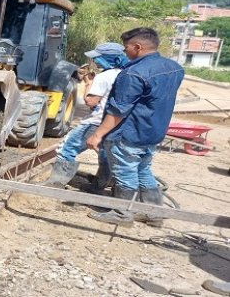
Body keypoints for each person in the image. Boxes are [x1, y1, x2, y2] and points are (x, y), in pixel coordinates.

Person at [86, 27, 184, 227]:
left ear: (137, 47)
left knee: (125, 172)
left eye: (126, 48)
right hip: (153, 132)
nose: (125, 52)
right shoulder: (174, 68)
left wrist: (97, 135)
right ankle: (153, 214)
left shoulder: (133, 74)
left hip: (130, 133)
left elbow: (118, 111)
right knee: (143, 170)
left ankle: (122, 214)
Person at [43, 42, 128, 189]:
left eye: (97, 58)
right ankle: (101, 184)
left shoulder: (104, 77)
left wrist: (88, 83)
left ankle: (56, 182)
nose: (94, 61)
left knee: (67, 148)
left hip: (95, 121)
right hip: (114, 122)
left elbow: (90, 101)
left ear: (106, 58)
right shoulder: (124, 74)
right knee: (105, 153)